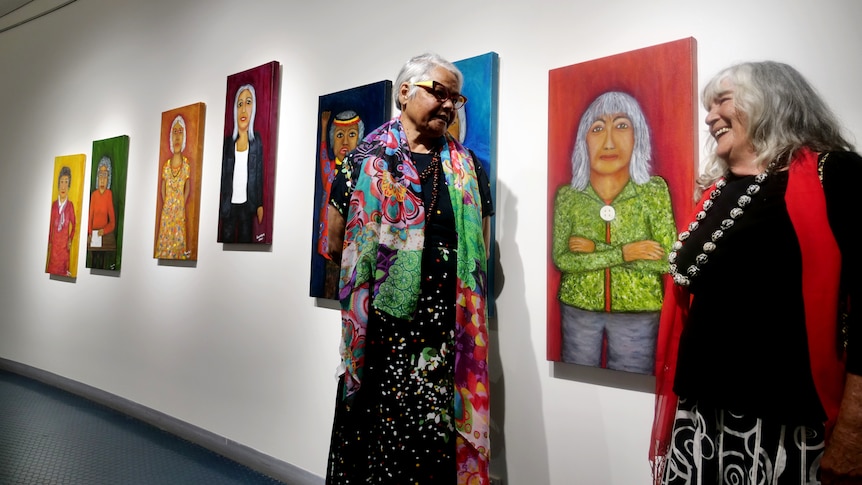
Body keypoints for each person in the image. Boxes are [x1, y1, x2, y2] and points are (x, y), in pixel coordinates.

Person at [651, 61, 862, 485]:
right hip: (701, 423)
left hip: (789, 430)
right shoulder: (715, 190)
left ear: (771, 101)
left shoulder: (836, 174)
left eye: (722, 101)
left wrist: (855, 430)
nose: (709, 117)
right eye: (707, 107)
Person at [326, 53, 494, 485]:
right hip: (381, 337)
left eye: (454, 98)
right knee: (375, 447)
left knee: (433, 453)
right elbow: (333, 240)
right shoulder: (360, 161)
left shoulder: (471, 170)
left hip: (445, 339)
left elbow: (481, 253)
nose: (447, 104)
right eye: (438, 92)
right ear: (404, 92)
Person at [552, 91, 676, 374]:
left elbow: (667, 259)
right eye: (597, 129)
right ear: (584, 141)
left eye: (621, 125)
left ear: (638, 137)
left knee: (636, 385)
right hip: (578, 309)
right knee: (578, 380)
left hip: (639, 311)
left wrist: (596, 250)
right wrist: (628, 251)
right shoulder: (569, 196)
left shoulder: (653, 191)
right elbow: (563, 259)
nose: (608, 142)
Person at [318, 110, 364, 297]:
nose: (345, 141)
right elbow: (321, 151)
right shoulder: (329, 169)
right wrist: (323, 127)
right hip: (330, 244)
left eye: (351, 134)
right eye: (339, 135)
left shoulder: (362, 174)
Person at [219, 84, 264, 243]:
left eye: (248, 102)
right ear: (234, 111)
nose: (243, 109)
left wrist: (259, 204)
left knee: (246, 239)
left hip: (248, 204)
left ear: (254, 108)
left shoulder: (256, 142)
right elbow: (223, 177)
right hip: (228, 206)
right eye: (239, 104)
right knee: (227, 237)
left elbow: (259, 175)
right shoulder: (228, 144)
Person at [156, 115, 191, 259]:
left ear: (184, 136)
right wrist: (167, 203)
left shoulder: (186, 163)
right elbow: (162, 188)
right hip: (167, 211)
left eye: (180, 132)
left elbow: (187, 187)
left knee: (178, 242)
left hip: (179, 211)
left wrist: (181, 201)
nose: (177, 136)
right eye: (174, 132)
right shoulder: (166, 165)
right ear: (171, 137)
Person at [87, 156, 116, 267]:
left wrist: (104, 231)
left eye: (105, 175)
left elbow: (112, 222)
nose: (102, 178)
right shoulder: (94, 195)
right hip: (93, 237)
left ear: (109, 177)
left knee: (101, 262)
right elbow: (90, 217)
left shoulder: (109, 194)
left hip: (103, 236)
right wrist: (89, 233)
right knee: (93, 261)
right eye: (100, 174)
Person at [46, 166, 76, 276]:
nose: (63, 186)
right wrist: (49, 242)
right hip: (54, 250)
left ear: (69, 185)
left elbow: (75, 225)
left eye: (66, 182)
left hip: (64, 251)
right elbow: (49, 227)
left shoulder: (70, 206)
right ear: (58, 184)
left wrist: (70, 239)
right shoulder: (54, 206)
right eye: (61, 182)